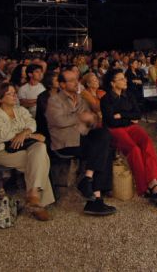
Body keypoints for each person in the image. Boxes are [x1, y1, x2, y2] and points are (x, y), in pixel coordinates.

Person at [46, 70, 116, 216]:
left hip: (82, 137)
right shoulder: (54, 100)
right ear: (62, 84)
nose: (75, 82)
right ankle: (95, 198)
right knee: (104, 149)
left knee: (104, 135)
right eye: (71, 80)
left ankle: (89, 179)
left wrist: (87, 119)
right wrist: (80, 117)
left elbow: (92, 119)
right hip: (66, 143)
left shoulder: (79, 98)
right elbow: (59, 121)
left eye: (76, 79)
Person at [0, 82, 54, 221]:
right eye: (9, 94)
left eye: (14, 93)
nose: (14, 96)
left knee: (40, 149)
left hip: (24, 147)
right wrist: (27, 134)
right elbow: (0, 135)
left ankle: (33, 196)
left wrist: (25, 133)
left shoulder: (20, 110)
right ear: (0, 98)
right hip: (2, 151)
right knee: (39, 160)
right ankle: (37, 201)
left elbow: (32, 124)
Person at [100, 70, 157, 208]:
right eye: (121, 79)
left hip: (129, 126)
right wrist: (128, 117)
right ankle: (144, 187)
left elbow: (137, 114)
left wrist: (122, 115)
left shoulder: (129, 95)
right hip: (115, 130)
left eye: (124, 78)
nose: (125, 80)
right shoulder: (106, 99)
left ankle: (152, 181)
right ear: (113, 83)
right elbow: (111, 122)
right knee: (133, 148)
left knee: (146, 142)